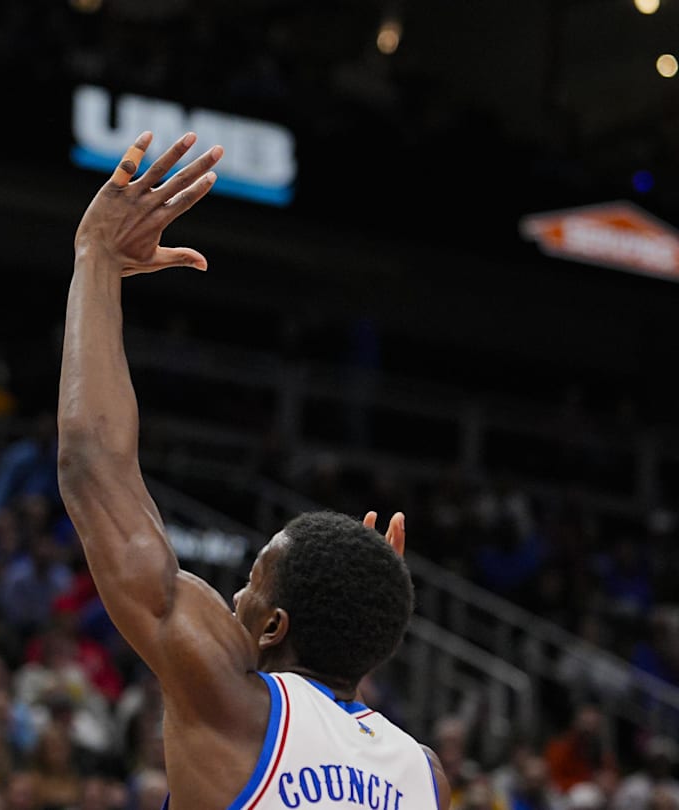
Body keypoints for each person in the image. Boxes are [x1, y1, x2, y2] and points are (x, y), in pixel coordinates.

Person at [54, 131, 450, 810]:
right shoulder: (426, 776)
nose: (235, 599)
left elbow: (93, 465)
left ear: (272, 628)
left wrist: (96, 257)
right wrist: (366, 606)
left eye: (250, 587)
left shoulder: (235, 707)